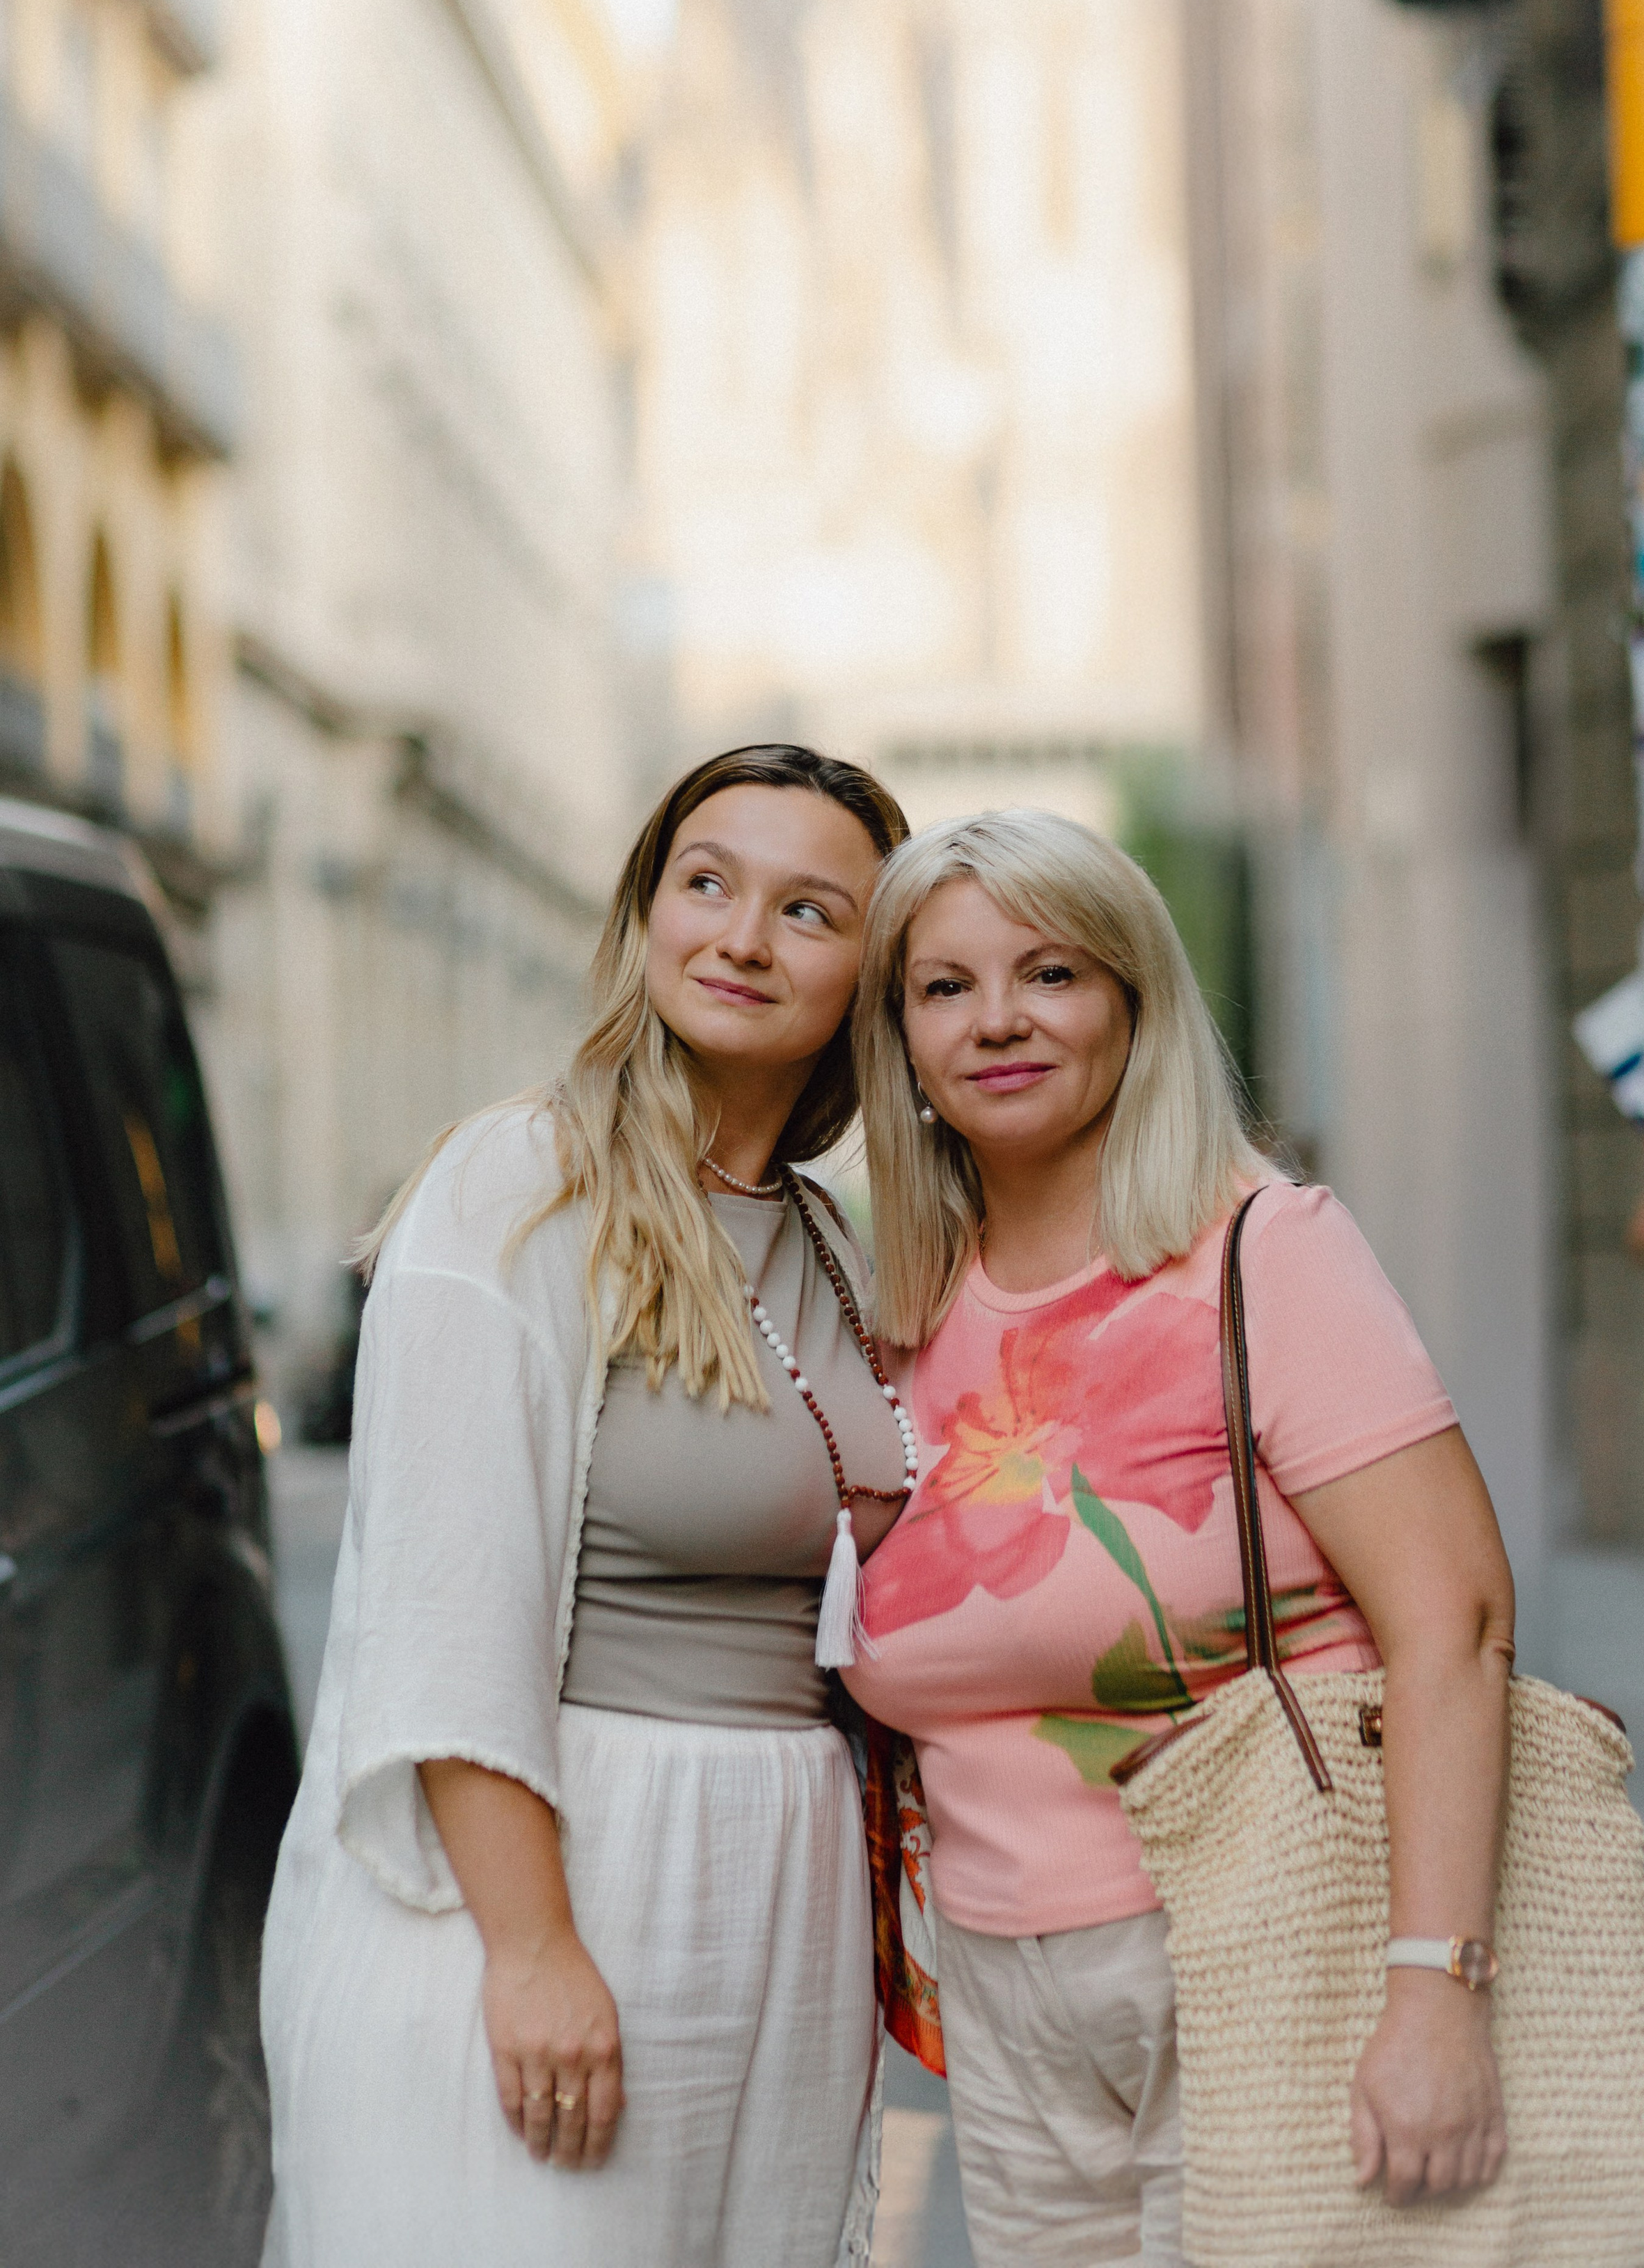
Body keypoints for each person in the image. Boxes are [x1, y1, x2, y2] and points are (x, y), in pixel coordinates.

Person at [258, 745, 914, 2268]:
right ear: (644, 915)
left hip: (775, 1896)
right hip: (561, 1876)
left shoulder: (831, 1242)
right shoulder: (518, 1184)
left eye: (808, 910)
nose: (742, 935)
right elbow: (442, 1611)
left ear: (867, 984)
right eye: (706, 882)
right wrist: (536, 1949)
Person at [844, 808, 1516, 2267]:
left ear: (1131, 1002)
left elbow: (1450, 1621)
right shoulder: (896, 1307)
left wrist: (1435, 1987)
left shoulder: (1260, 1248)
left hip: (1262, 1943)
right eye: (943, 985)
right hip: (1002, 1984)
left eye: (1051, 973)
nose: (998, 1019)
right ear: (894, 1038)